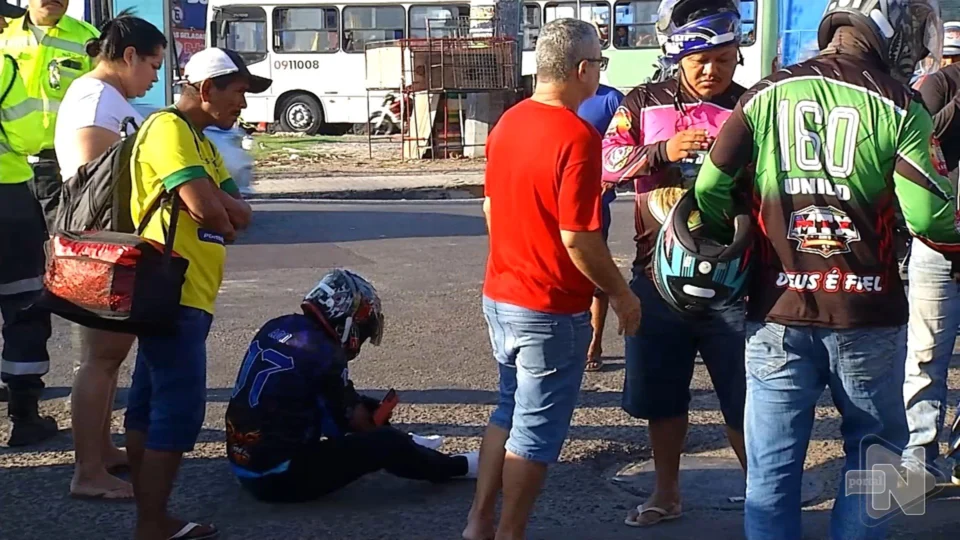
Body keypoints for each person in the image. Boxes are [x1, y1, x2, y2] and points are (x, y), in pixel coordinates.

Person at [694, 1, 960, 538]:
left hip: (775, 312)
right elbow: (929, 214)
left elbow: (709, 188)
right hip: (869, 314)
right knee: (879, 459)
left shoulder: (764, 93)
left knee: (770, 470)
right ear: (894, 34)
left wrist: (741, 227)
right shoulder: (900, 104)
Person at [463, 18, 641, 540]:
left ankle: (479, 522)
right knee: (535, 433)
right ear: (582, 70)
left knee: (507, 408)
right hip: (550, 305)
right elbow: (579, 239)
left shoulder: (508, 124)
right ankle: (510, 532)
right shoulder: (577, 136)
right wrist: (622, 295)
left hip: (502, 293)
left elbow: (492, 210)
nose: (599, 76)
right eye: (600, 65)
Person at [600, 0, 747, 527]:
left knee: (745, 395)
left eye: (725, 59)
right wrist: (664, 149)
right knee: (663, 398)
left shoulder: (753, 105)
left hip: (735, 282)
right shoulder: (643, 101)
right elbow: (606, 162)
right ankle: (666, 493)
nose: (713, 70)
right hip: (655, 281)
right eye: (701, 59)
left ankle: (763, 494)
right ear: (678, 57)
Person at [123, 47, 264, 540]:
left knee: (147, 401)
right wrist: (220, 211)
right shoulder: (167, 130)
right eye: (239, 93)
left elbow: (239, 211)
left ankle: (149, 516)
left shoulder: (200, 140)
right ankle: (152, 521)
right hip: (172, 292)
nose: (242, 106)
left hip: (188, 294)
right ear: (207, 90)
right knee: (177, 409)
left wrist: (223, 210)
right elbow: (210, 212)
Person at [226, 269, 479, 502]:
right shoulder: (324, 353)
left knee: (349, 402)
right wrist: (388, 437)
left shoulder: (280, 325)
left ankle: (411, 444)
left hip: (245, 461)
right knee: (385, 442)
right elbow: (344, 426)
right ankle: (460, 466)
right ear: (346, 320)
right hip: (277, 478)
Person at [53, 14, 167, 499]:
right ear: (128, 56)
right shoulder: (97, 98)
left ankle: (101, 451)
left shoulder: (106, 97)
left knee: (105, 358)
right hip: (101, 248)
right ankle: (88, 472)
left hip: (107, 245)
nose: (156, 77)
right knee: (98, 360)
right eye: (153, 65)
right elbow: (92, 175)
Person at [0, 0, 60, 447]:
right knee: (22, 303)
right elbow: (24, 135)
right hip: (8, 198)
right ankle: (24, 416)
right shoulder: (2, 66)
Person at [903, 20, 960, 485]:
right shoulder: (938, 85)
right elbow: (922, 140)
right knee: (925, 357)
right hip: (938, 246)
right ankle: (919, 461)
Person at [0, 0, 99, 230]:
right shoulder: (4, 29)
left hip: (57, 166)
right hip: (10, 169)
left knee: (59, 245)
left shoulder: (88, 39)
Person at [577, 81, 625, 371]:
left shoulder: (610, 99)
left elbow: (629, 141)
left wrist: (613, 176)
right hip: (557, 202)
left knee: (594, 270)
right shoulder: (553, 94)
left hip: (595, 204)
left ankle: (594, 341)